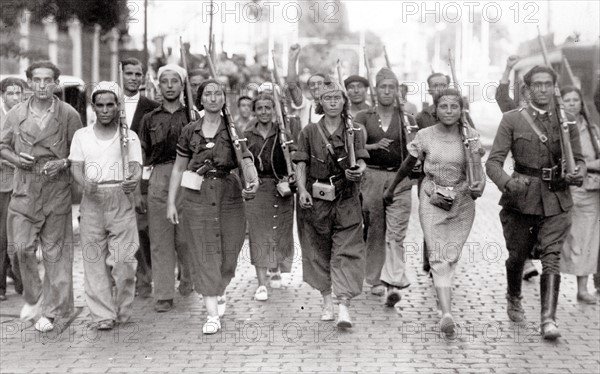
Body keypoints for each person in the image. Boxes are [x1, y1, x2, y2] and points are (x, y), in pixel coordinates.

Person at [486, 66, 585, 340]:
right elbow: (493, 162)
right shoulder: (512, 120)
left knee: (551, 258)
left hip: (557, 199)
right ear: (527, 89)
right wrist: (507, 183)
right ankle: (514, 295)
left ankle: (548, 319)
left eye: (547, 84)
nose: (542, 89)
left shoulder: (567, 122)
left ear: (554, 87)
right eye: (537, 84)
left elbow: (580, 160)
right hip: (522, 198)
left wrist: (578, 173)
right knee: (518, 255)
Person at [384, 88, 485, 336]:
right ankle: (447, 313)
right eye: (444, 106)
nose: (449, 111)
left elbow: (477, 170)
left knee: (450, 256)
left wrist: (478, 186)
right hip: (432, 199)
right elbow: (409, 163)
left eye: (454, 106)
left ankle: (443, 299)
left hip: (462, 203)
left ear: (461, 110)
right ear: (435, 109)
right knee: (439, 257)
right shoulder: (425, 135)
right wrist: (393, 186)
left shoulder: (470, 136)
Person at [167, 79, 259, 334]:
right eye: (208, 93)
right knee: (204, 251)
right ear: (201, 99)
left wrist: (253, 180)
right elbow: (178, 167)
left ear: (223, 99)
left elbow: (246, 159)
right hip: (196, 194)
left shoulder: (233, 130)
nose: (213, 97)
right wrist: (171, 203)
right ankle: (211, 314)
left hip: (228, 192)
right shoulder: (189, 131)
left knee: (229, 250)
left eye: (218, 93)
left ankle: (219, 288)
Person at [0, 60, 82, 332]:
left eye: (48, 80)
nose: (43, 85)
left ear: (56, 83)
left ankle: (51, 311)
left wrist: (64, 163)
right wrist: (15, 160)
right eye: (37, 79)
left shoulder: (68, 113)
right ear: (29, 82)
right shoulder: (16, 114)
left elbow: (78, 152)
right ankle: (33, 298)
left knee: (55, 255)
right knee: (20, 248)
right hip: (24, 189)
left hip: (56, 188)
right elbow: (2, 146)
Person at [293, 80, 368, 329]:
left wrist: (358, 171)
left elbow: (362, 161)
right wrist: (302, 189)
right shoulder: (309, 132)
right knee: (318, 250)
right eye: (328, 98)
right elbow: (301, 163)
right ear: (320, 103)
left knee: (347, 250)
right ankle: (326, 299)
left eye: (338, 97)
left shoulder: (355, 130)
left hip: (347, 198)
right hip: (317, 199)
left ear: (344, 102)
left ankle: (343, 304)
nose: (334, 102)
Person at [69, 82, 142, 330]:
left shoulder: (128, 136)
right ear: (93, 107)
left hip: (120, 197)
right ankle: (102, 315)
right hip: (93, 200)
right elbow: (76, 167)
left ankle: (122, 309)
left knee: (124, 263)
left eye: (110, 104)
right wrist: (83, 183)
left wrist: (133, 178)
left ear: (118, 106)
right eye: (99, 105)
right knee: (94, 261)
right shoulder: (82, 135)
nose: (105, 110)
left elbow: (135, 165)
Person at [354, 68, 415, 304]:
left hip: (400, 180)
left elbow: (416, 150)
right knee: (375, 230)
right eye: (383, 87)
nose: (387, 91)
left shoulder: (407, 118)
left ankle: (393, 282)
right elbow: (355, 146)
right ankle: (375, 278)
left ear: (398, 90)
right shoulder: (363, 117)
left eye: (392, 87)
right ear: (375, 90)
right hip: (372, 178)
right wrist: (373, 147)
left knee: (396, 233)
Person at [138, 64, 195, 312]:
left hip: (189, 177)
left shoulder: (193, 116)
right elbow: (141, 155)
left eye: (175, 81)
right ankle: (163, 293)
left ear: (182, 86)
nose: (170, 86)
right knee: (160, 238)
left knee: (185, 238)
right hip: (159, 176)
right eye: (165, 81)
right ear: (158, 86)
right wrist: (141, 189)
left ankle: (188, 276)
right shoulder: (149, 119)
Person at [244, 93, 295, 301]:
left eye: (268, 107)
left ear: (274, 111)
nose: (264, 112)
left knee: (280, 229)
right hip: (257, 187)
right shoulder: (247, 135)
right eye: (260, 108)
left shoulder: (283, 133)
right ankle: (261, 283)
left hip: (281, 186)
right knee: (258, 233)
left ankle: (276, 268)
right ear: (254, 111)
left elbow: (295, 156)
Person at [495, 55, 539, 282]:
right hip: (523, 177)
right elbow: (501, 96)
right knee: (518, 223)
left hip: (547, 183)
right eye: (527, 91)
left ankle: (531, 259)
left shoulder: (551, 115)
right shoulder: (515, 115)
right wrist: (508, 68)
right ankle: (524, 261)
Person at [121, 57, 161, 298]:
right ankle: (121, 279)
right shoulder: (108, 102)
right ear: (121, 74)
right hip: (113, 175)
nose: (133, 78)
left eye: (138, 74)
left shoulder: (151, 107)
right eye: (129, 73)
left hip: (142, 176)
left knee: (142, 229)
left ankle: (145, 278)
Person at [559, 85, 599, 304]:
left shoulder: (592, 129)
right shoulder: (558, 128)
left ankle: (582, 289)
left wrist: (589, 165)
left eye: (576, 100)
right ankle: (549, 284)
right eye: (567, 100)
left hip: (590, 191)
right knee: (559, 240)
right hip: (564, 190)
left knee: (587, 240)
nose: (572, 104)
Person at [0, 77, 26, 301]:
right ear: (3, 95)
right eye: (11, 93)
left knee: (21, 236)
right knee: (3, 236)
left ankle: (21, 280)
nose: (15, 98)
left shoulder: (24, 115)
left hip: (23, 184)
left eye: (19, 93)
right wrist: (15, 160)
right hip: (3, 184)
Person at [286, 44, 325, 128]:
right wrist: (292, 60)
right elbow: (292, 86)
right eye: (312, 84)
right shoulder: (306, 105)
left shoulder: (335, 108)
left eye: (319, 83)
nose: (316, 86)